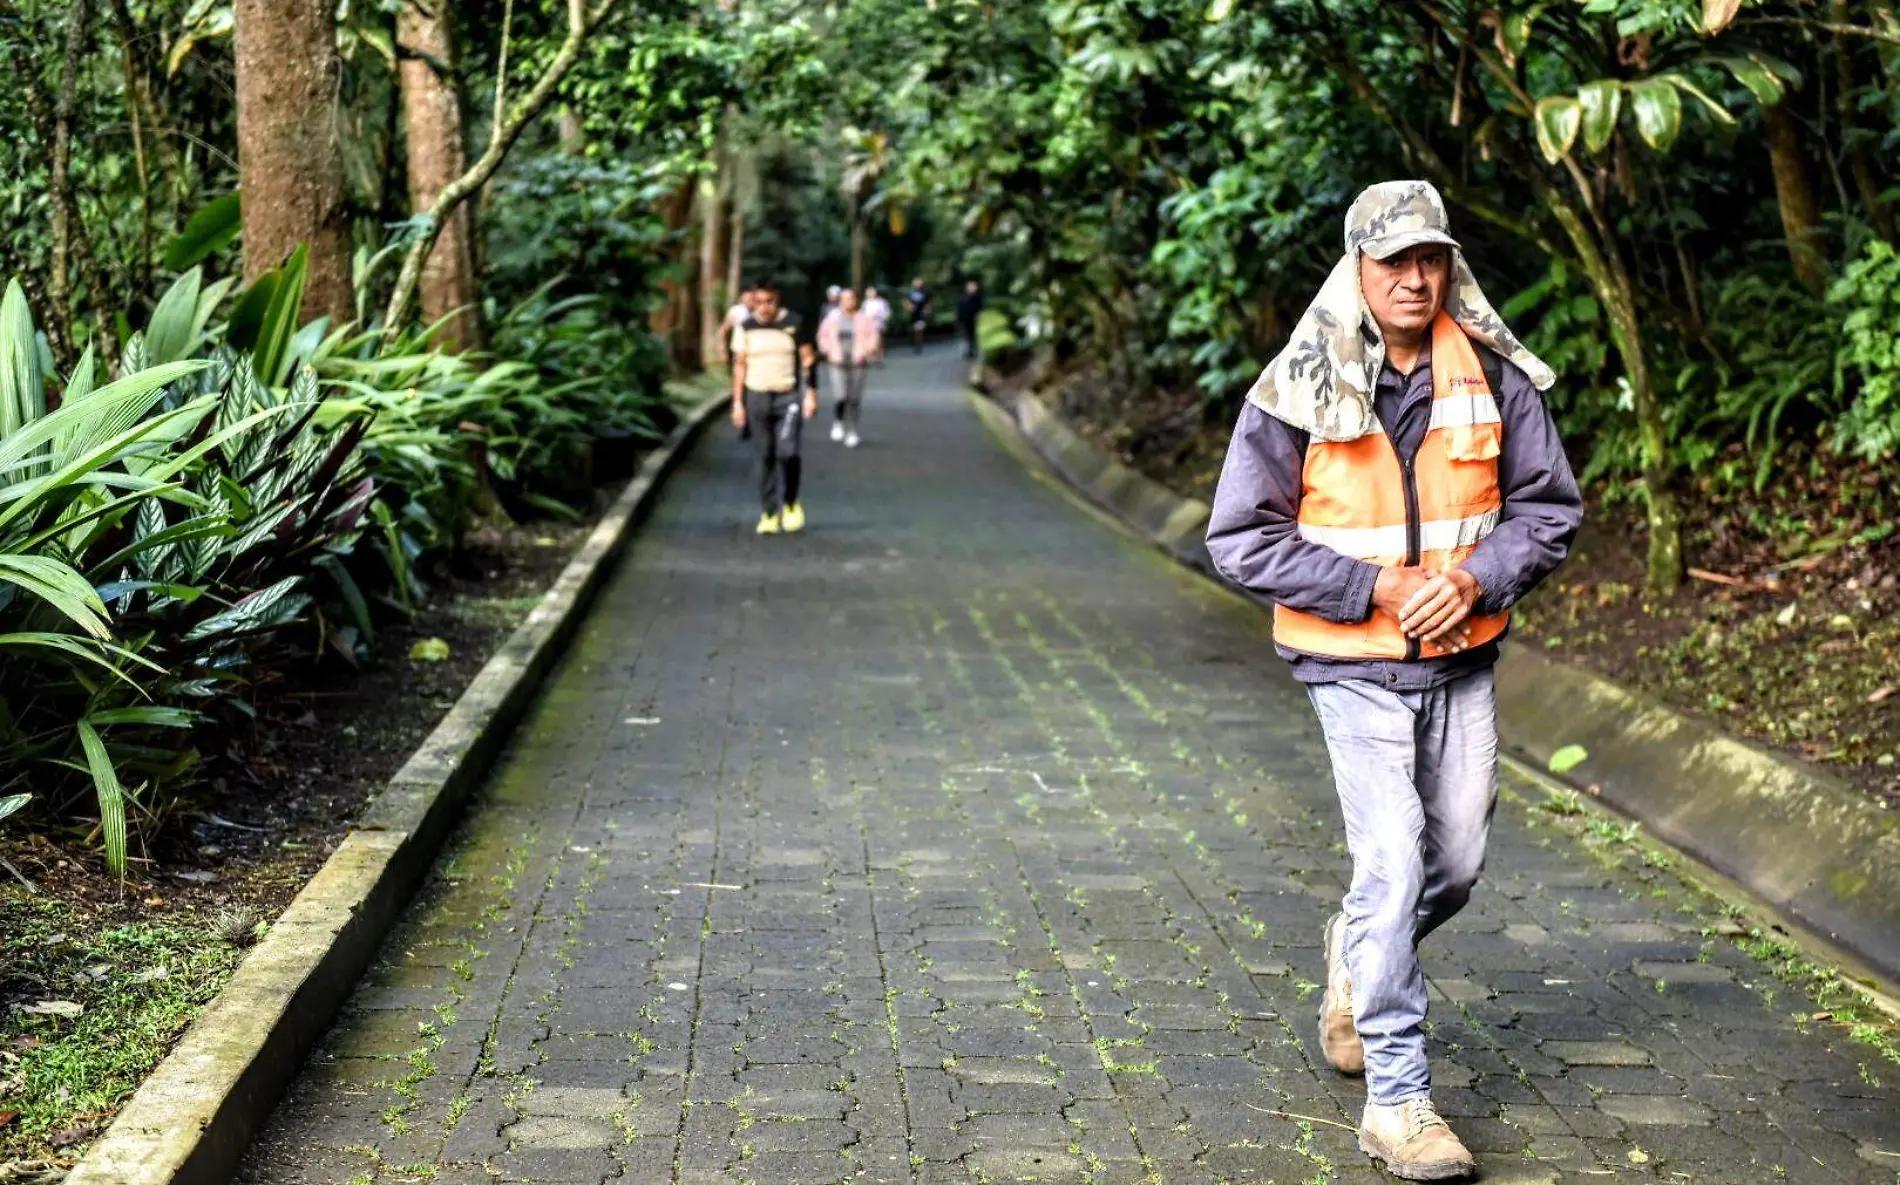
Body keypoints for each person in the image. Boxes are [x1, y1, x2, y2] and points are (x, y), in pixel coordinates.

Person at [1205, 180, 1582, 1182]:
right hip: (1349, 667)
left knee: (1451, 869)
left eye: (1431, 260)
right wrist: (1373, 587)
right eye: (1393, 262)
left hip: (1460, 659)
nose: (1415, 279)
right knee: (1395, 866)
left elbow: (1548, 509)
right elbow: (1239, 537)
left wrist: (1470, 579)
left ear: (1448, 265)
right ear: (1356, 269)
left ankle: (1352, 950)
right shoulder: (1295, 386)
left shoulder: (1493, 376)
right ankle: (1398, 1103)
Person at [730, 281, 819, 535]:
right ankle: (769, 512)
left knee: (788, 452)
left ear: (777, 301)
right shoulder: (745, 327)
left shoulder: (794, 323)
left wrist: (811, 394)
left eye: (769, 302)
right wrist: (737, 402)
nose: (764, 308)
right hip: (757, 395)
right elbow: (739, 365)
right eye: (758, 303)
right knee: (764, 454)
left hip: (787, 396)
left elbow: (808, 359)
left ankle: (790, 503)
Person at [817, 289, 883, 448]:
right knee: (840, 395)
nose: (848, 302)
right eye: (844, 299)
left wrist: (868, 350)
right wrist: (827, 351)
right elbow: (822, 335)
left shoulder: (864, 319)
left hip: (858, 360)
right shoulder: (832, 317)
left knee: (854, 398)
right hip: (837, 359)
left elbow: (874, 335)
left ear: (856, 301)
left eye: (851, 299)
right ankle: (838, 421)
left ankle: (852, 430)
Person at [955, 279, 984, 359]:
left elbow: (980, 308)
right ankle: (968, 351)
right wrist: (959, 319)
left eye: (974, 286)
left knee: (974, 335)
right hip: (964, 319)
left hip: (974, 318)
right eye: (970, 286)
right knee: (966, 335)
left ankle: (974, 350)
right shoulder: (963, 298)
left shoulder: (978, 297)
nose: (972, 288)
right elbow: (959, 309)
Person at [864, 286, 892, 361]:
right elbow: (863, 313)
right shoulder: (865, 303)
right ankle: (872, 354)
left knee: (879, 339)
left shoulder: (881, 302)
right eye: (869, 293)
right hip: (868, 324)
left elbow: (886, 313)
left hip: (879, 323)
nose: (871, 294)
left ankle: (881, 353)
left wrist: (878, 316)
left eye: (872, 292)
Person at [904, 277, 931, 354]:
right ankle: (914, 343)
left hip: (921, 314)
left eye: (920, 283)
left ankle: (918, 346)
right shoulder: (910, 292)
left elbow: (928, 303)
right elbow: (906, 301)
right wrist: (908, 306)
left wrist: (927, 310)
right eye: (916, 283)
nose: (918, 284)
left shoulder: (925, 292)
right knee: (912, 330)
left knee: (919, 330)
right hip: (912, 315)